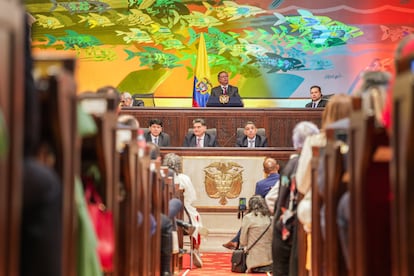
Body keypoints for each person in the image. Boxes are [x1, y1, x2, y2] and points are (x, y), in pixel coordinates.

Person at [296, 94, 352, 273]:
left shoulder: (315, 142)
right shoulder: (363, 140)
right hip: (358, 213)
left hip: (322, 218)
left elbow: (303, 185)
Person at [271, 121, 320, 276]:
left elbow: (275, 199)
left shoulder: (290, 165)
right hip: (299, 228)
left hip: (283, 227)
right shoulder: (312, 164)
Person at [222, 157, 279, 250]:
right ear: (278, 167)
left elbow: (256, 203)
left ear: (264, 171)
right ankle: (235, 240)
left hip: (267, 215)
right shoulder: (285, 180)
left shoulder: (261, 184)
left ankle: (237, 240)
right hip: (282, 213)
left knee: (249, 217)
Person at [163, 153, 206, 268]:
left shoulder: (161, 176)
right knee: (196, 218)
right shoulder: (184, 178)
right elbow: (192, 197)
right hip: (183, 216)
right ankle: (195, 249)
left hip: (164, 214)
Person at [239, 195, 273, 273]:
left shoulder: (248, 218)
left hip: (254, 263)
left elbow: (243, 240)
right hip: (270, 260)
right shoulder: (270, 218)